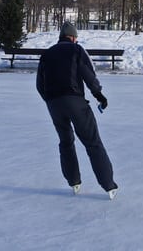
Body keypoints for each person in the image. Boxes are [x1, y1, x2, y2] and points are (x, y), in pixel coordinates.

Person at [36, 21, 118, 199]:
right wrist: (100, 96)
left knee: (66, 142)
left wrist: (51, 101)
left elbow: (40, 85)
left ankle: (74, 181)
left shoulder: (47, 54)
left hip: (54, 104)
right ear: (73, 37)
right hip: (75, 102)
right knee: (92, 142)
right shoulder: (76, 50)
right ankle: (108, 184)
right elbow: (89, 75)